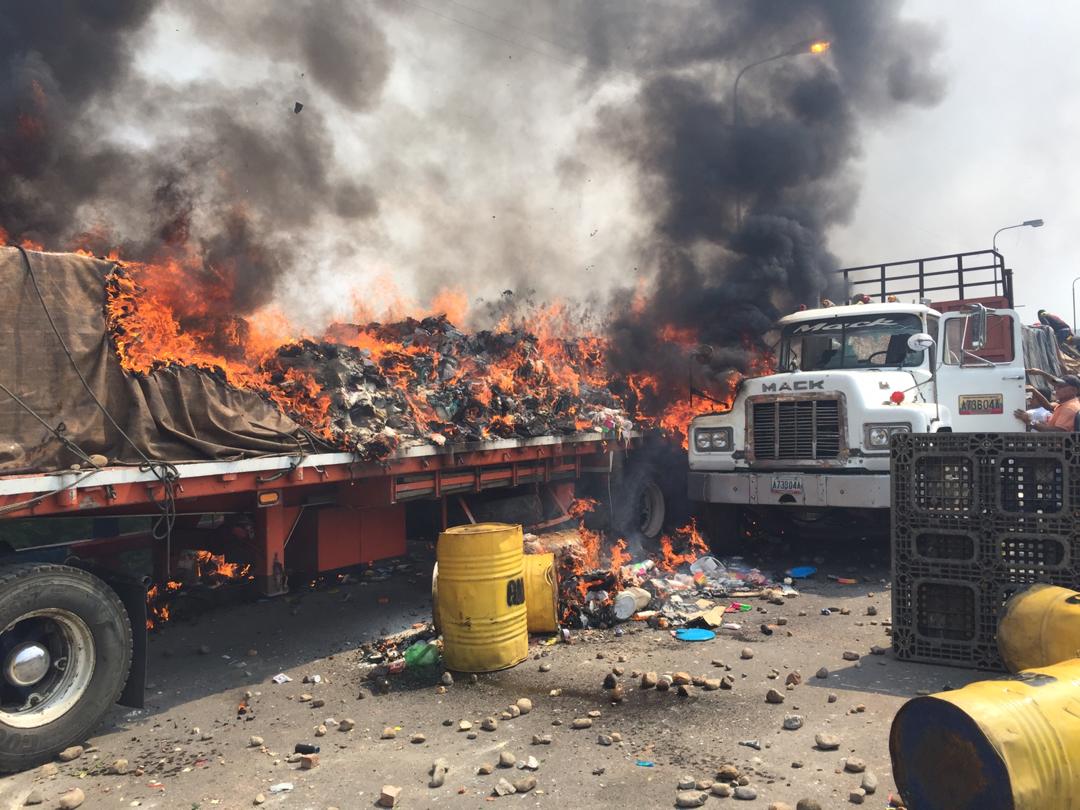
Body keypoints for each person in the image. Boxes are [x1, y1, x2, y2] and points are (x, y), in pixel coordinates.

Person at [1014, 374, 1080, 431]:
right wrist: (1034, 391)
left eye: (1060, 387)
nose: (1056, 389)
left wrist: (1030, 421)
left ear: (1074, 390)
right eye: (1056, 387)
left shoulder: (1069, 408)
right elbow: (1048, 406)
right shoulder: (1067, 404)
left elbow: (1057, 433)